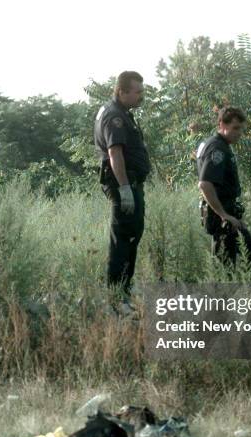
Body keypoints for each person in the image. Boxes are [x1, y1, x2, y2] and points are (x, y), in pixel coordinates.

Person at [94, 71, 151, 308]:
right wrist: (125, 189)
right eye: (137, 92)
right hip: (122, 184)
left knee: (132, 234)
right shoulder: (114, 116)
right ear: (122, 91)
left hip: (130, 183)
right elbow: (114, 153)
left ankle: (124, 288)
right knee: (122, 239)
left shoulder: (121, 113)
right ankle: (116, 296)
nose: (141, 96)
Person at [197, 107, 251, 280]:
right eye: (235, 128)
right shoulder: (217, 148)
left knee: (248, 255)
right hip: (221, 218)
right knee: (227, 266)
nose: (239, 133)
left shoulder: (219, 145)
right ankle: (250, 302)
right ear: (221, 124)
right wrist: (224, 215)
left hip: (227, 214)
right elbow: (204, 184)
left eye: (241, 128)